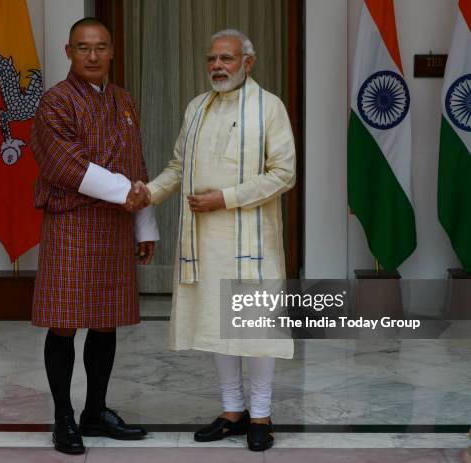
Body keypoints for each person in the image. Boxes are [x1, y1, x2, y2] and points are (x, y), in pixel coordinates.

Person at [128, 29, 296, 452]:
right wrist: (148, 191)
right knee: (218, 326)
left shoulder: (269, 107)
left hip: (252, 240)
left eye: (227, 58)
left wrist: (226, 198)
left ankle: (261, 414)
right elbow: (178, 166)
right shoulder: (197, 107)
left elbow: (283, 174)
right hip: (204, 240)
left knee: (255, 329)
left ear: (248, 62)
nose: (217, 66)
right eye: (211, 59)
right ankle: (231, 411)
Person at [31, 17, 159, 455]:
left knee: (106, 321)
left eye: (100, 47)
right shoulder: (55, 102)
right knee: (64, 322)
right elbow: (69, 167)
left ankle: (96, 410)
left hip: (116, 224)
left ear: (111, 52)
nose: (92, 55)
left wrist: (145, 225)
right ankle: (63, 415)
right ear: (69, 52)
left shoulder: (123, 100)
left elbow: (136, 159)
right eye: (83, 48)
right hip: (72, 223)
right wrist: (131, 195)